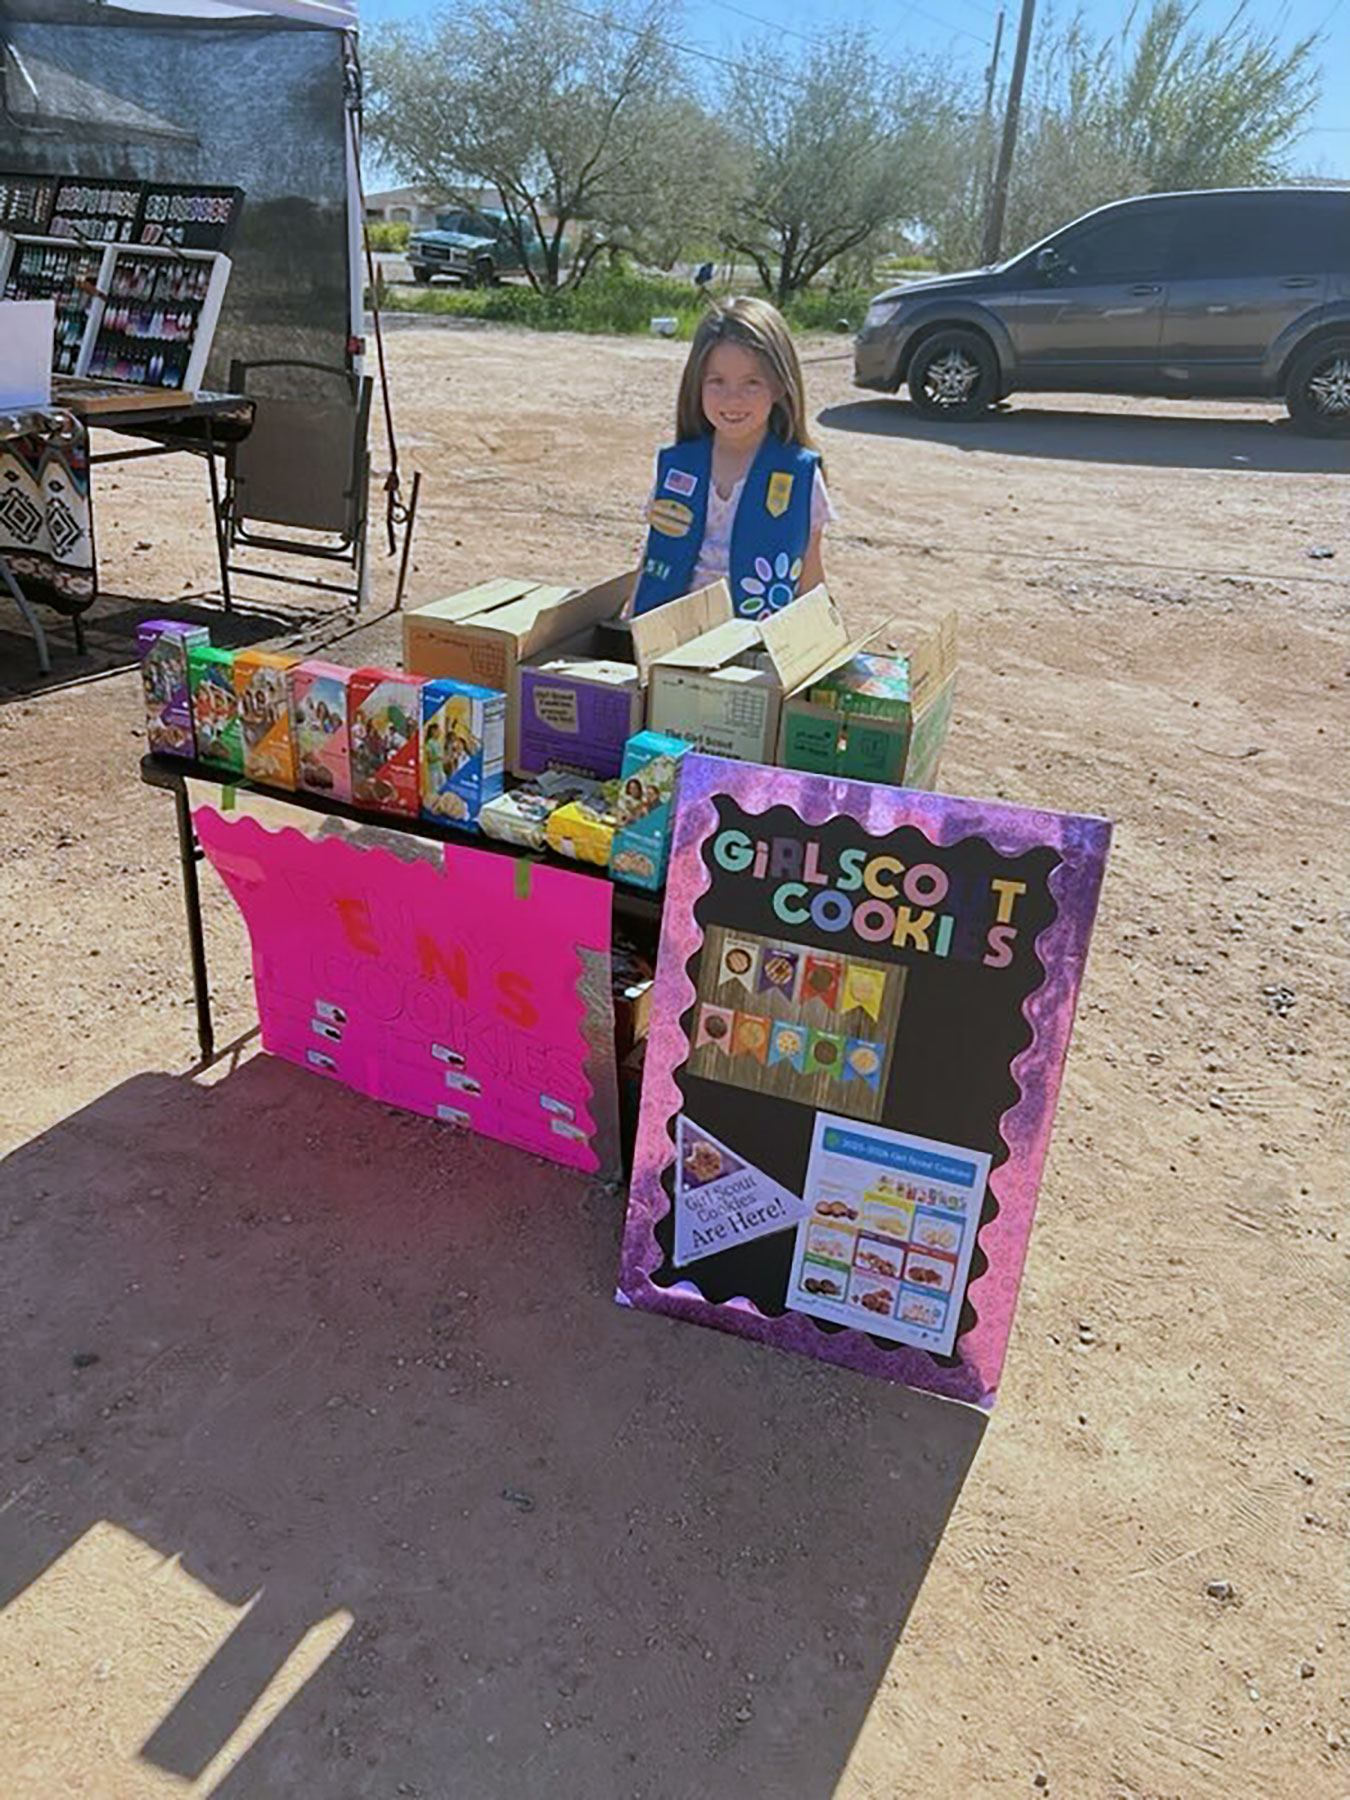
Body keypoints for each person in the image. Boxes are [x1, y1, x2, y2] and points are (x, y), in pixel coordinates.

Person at [631, 295, 833, 619]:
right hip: (671, 640)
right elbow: (653, 559)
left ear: (780, 386)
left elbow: (810, 576)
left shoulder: (800, 476)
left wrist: (821, 644)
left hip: (751, 648)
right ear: (697, 384)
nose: (732, 399)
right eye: (717, 381)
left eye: (752, 382)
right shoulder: (678, 467)